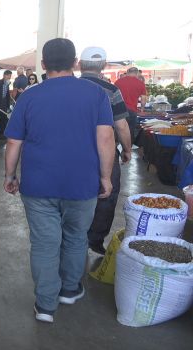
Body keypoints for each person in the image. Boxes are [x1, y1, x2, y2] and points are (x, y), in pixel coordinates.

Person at [3, 38, 115, 323]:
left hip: (39, 185)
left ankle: (45, 306)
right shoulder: (95, 94)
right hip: (82, 183)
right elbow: (105, 137)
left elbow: (14, 142)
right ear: (75, 63)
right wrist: (105, 177)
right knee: (76, 238)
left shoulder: (29, 96)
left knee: (43, 244)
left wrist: (9, 175)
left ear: (43, 65)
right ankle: (69, 289)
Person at [79, 46, 133, 255]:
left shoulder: (70, 87)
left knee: (73, 196)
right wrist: (127, 149)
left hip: (74, 151)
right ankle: (94, 241)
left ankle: (73, 239)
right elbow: (121, 125)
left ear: (80, 65)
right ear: (103, 66)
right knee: (106, 194)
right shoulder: (110, 90)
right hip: (106, 152)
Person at [115, 67, 147, 143]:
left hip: (119, 110)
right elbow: (143, 99)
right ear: (137, 73)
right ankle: (128, 151)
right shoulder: (140, 83)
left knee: (118, 131)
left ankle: (117, 149)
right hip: (132, 111)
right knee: (130, 131)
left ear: (127, 72)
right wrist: (142, 109)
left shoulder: (118, 82)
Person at [0, 70, 12, 136]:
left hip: (4, 102)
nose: (9, 78)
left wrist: (8, 105)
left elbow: (7, 94)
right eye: (8, 76)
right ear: (4, 75)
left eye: (10, 77)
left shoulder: (7, 83)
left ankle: (3, 132)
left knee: (4, 117)